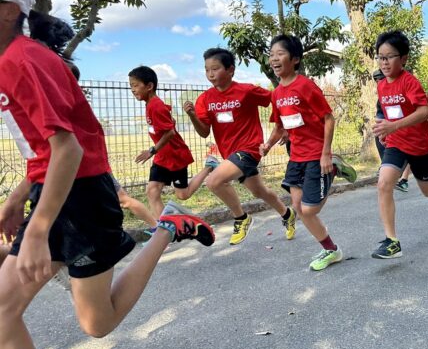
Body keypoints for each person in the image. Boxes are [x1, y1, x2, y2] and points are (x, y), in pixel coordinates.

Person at [0, 0, 215, 349]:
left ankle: (166, 228)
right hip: (59, 190)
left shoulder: (23, 59)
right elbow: (48, 148)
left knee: (93, 324)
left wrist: (37, 228)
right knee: (6, 316)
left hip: (77, 197)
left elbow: (69, 148)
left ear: (6, 10)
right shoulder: (15, 58)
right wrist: (19, 197)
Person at [260, 34, 357, 271]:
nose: (274, 59)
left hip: (317, 155)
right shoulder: (276, 94)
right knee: (299, 209)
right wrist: (267, 145)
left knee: (309, 209)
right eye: (271, 55)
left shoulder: (305, 86)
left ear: (294, 59)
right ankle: (331, 250)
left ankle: (333, 166)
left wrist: (326, 153)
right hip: (297, 157)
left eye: (279, 54)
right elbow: (280, 127)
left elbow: (328, 118)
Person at [183, 48, 296, 245]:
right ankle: (287, 214)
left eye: (215, 69)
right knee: (259, 191)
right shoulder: (205, 99)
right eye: (207, 70)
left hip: (250, 148)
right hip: (230, 154)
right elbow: (203, 132)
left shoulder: (246, 91)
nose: (210, 74)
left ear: (231, 70)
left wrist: (284, 126)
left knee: (214, 181)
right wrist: (192, 116)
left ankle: (241, 218)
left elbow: (277, 98)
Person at [372, 30, 428, 260]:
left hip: (419, 145)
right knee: (383, 183)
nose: (384, 62)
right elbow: (389, 114)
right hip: (396, 143)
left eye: (390, 56)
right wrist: (385, 130)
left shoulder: (409, 82)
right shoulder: (381, 86)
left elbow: (423, 112)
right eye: (381, 57)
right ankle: (392, 241)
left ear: (403, 59)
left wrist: (394, 126)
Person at [66, 60, 157, 228]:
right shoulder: (67, 102)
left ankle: (158, 229)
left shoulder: (75, 105)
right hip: (78, 168)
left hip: (93, 168)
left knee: (124, 200)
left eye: (135, 85)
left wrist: (153, 150)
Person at [129, 66, 217, 219]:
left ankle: (209, 166)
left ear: (149, 86)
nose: (132, 89)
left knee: (182, 195)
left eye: (135, 85)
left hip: (176, 156)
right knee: (152, 191)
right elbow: (169, 124)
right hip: (162, 156)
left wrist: (151, 151)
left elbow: (169, 132)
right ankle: (164, 229)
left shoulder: (156, 106)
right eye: (131, 86)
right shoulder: (150, 104)